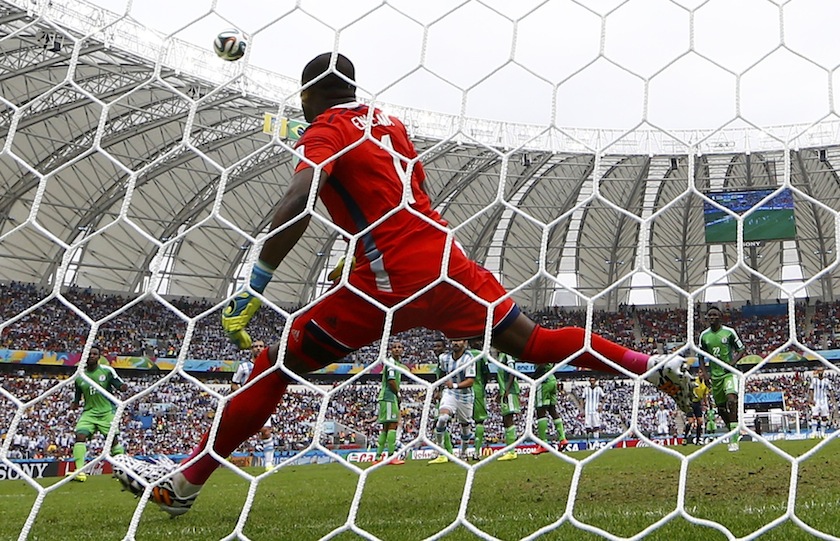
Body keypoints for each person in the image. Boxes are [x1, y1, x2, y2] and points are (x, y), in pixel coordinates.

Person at [112, 52, 695, 516]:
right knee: (535, 344)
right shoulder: (389, 124)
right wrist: (354, 256)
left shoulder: (324, 129)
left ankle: (186, 485)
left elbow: (299, 198)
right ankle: (650, 366)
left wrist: (258, 280)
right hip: (448, 264)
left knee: (274, 367)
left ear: (310, 95)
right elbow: (388, 205)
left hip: (389, 283)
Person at [70, 345, 127, 482]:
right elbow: (78, 395)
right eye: (90, 353)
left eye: (95, 354)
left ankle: (122, 471)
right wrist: (75, 403)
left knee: (113, 441)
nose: (92, 356)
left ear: (99, 357)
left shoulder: (106, 371)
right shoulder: (80, 376)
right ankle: (80, 472)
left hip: (107, 412)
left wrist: (122, 387)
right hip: (89, 413)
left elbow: (119, 384)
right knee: (80, 435)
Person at [698, 306, 745, 452]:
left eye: (714, 315)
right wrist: (705, 373)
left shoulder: (729, 332)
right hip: (715, 376)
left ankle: (733, 439)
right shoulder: (704, 336)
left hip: (729, 373)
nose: (712, 317)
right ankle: (733, 430)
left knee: (732, 400)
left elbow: (741, 349)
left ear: (720, 317)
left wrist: (731, 364)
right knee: (721, 408)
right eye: (709, 315)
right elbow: (700, 356)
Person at [230, 340, 275, 471]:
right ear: (251, 349)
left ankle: (268, 464)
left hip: (263, 403)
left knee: (266, 431)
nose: (258, 349)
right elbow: (234, 383)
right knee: (236, 432)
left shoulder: (270, 365)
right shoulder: (244, 366)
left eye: (261, 346)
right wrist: (242, 394)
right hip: (246, 403)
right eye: (255, 347)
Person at [428, 339, 475, 464]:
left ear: (464, 342)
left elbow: (470, 381)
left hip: (465, 396)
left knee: (465, 426)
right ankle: (439, 448)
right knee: (442, 418)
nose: (456, 343)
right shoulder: (444, 358)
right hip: (450, 393)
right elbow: (442, 373)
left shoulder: (469, 358)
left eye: (459, 340)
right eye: (454, 340)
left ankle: (464, 453)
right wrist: (439, 389)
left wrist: (453, 385)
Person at [374, 340, 406, 464]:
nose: (397, 349)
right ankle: (391, 457)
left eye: (399, 347)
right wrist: (398, 394)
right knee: (392, 425)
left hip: (387, 398)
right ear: (390, 350)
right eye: (394, 347)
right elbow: (391, 381)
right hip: (388, 397)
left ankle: (378, 457)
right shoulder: (391, 363)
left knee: (386, 428)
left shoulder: (396, 363)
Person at [532, 363, 568, 455]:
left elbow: (541, 365)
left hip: (543, 380)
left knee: (540, 411)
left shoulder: (540, 351)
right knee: (552, 410)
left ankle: (543, 444)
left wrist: (535, 376)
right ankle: (562, 439)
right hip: (552, 378)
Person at [496, 351, 521, 461]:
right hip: (504, 391)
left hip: (510, 391)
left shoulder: (507, 354)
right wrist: (500, 392)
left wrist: (507, 390)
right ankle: (509, 450)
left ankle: (512, 451)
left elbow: (512, 372)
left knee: (509, 418)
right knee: (505, 420)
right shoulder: (500, 356)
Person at [469, 340, 491, 460]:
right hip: (477, 389)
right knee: (479, 421)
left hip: (463, 389)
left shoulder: (464, 355)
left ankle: (463, 453)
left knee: (464, 422)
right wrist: (483, 386)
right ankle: (476, 452)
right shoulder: (481, 355)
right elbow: (486, 373)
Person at [683, 371, 710, 445]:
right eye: (700, 372)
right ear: (698, 374)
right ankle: (685, 437)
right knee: (691, 421)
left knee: (700, 421)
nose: (702, 374)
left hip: (698, 403)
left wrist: (706, 403)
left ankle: (698, 440)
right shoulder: (694, 381)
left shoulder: (705, 384)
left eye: (703, 372)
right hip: (691, 402)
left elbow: (704, 395)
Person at [809, 367, 832, 438]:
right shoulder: (814, 380)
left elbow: (830, 390)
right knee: (814, 416)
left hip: (824, 400)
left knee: (824, 417)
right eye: (819, 371)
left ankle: (822, 433)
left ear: (823, 371)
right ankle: (814, 432)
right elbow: (811, 390)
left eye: (821, 370)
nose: (820, 372)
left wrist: (832, 400)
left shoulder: (826, 380)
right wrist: (811, 399)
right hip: (816, 400)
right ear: (817, 372)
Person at [583, 377, 604, 444]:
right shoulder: (586, 389)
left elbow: (603, 397)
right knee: (587, 427)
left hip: (595, 410)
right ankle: (588, 442)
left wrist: (601, 406)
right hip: (588, 410)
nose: (592, 382)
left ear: (595, 381)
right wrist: (582, 408)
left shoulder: (599, 389)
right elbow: (582, 398)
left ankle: (596, 442)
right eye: (591, 380)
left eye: (593, 380)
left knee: (596, 426)